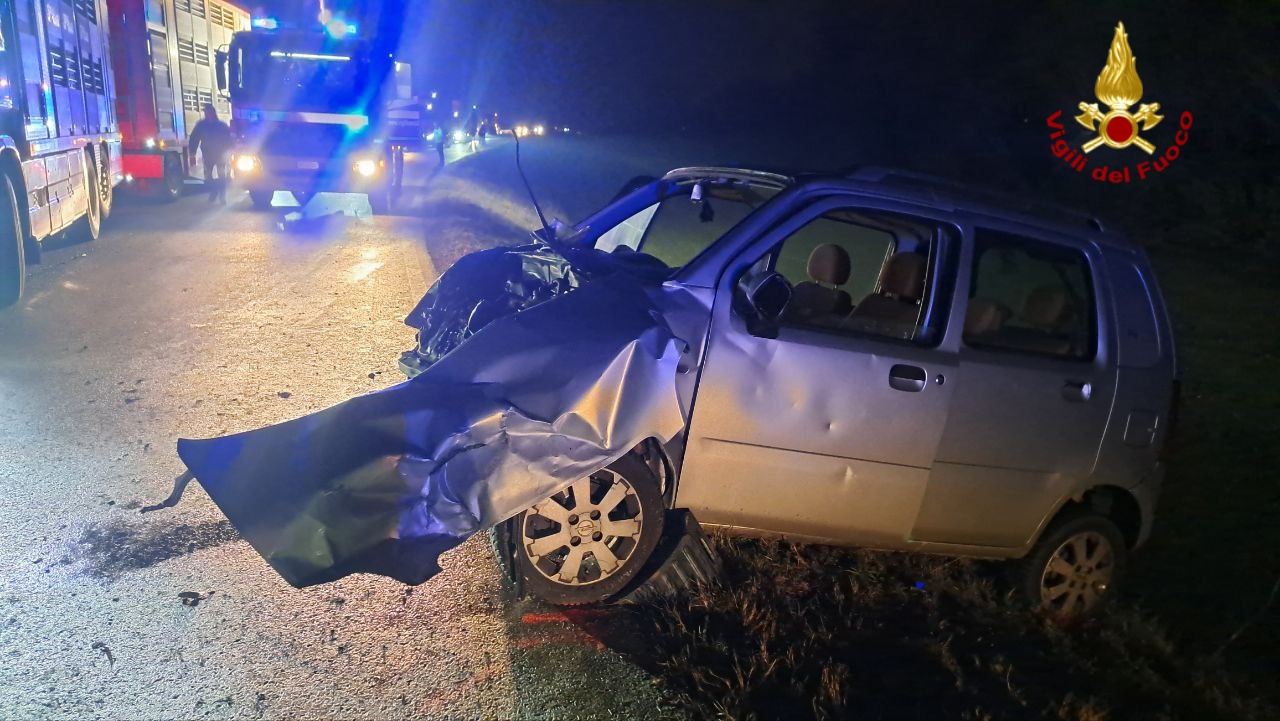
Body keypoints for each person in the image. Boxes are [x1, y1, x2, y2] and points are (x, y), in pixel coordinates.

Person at [188, 104, 233, 204]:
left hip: (220, 154)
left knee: (221, 175)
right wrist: (192, 152)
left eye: (208, 112)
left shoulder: (221, 125)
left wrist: (230, 151)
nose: (207, 114)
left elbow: (229, 139)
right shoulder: (201, 125)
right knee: (208, 176)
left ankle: (222, 196)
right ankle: (213, 191)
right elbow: (194, 138)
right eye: (205, 112)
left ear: (213, 112)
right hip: (208, 154)